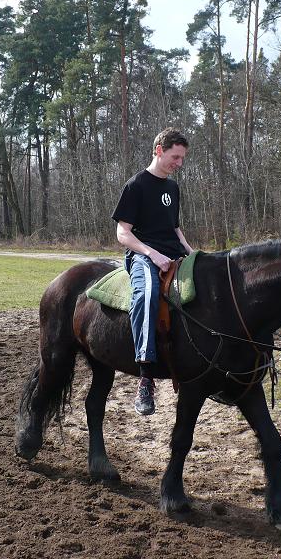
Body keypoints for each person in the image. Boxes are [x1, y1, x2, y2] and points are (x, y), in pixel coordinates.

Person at [111, 127, 194, 416]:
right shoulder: (136, 186)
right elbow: (123, 233)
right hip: (143, 256)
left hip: (174, 252)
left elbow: (175, 228)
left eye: (182, 158)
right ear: (159, 149)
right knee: (147, 293)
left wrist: (192, 252)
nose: (179, 164)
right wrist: (152, 254)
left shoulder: (173, 188)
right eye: (175, 157)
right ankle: (146, 376)